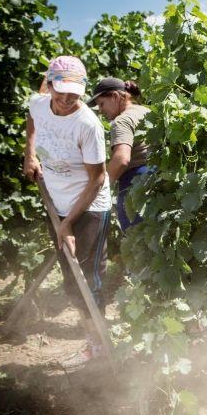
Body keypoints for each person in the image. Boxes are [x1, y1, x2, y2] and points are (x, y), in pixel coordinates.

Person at [23, 55, 111, 365]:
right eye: (60, 91)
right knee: (71, 279)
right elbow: (32, 121)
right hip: (57, 204)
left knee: (87, 279)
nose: (66, 99)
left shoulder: (87, 125)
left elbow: (97, 179)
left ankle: (101, 348)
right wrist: (30, 155)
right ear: (48, 86)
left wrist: (69, 223)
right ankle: (94, 342)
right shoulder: (38, 103)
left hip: (88, 209)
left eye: (74, 93)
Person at [88, 77, 150, 231]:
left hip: (135, 182)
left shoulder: (122, 121)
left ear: (115, 96)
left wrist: (100, 188)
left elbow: (121, 159)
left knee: (137, 242)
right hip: (157, 179)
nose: (100, 110)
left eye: (102, 104)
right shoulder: (147, 111)